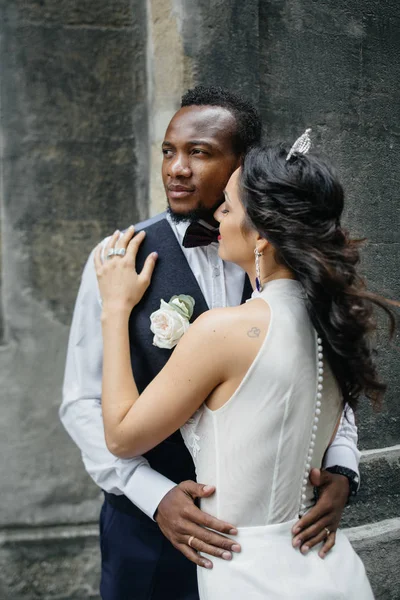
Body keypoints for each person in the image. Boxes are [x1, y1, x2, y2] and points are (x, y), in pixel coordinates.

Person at [60, 88, 360, 600]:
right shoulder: (117, 259)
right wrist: (153, 497)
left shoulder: (292, 264)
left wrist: (342, 468)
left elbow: (322, 368)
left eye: (199, 153)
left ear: (244, 167)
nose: (177, 168)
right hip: (149, 532)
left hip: (271, 535)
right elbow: (82, 402)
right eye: (168, 151)